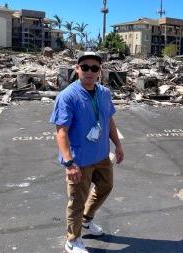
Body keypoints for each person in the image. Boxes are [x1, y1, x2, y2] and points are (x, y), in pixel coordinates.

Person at [50, 51, 124, 253]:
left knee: (106, 186)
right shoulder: (67, 96)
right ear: (77, 69)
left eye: (94, 68)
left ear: (100, 71)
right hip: (79, 159)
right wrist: (69, 163)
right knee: (77, 200)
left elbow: (109, 120)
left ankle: (87, 219)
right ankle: (72, 240)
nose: (89, 71)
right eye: (85, 67)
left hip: (101, 155)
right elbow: (61, 132)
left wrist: (117, 145)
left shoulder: (104, 93)